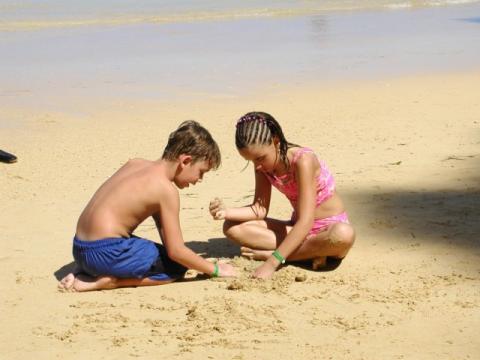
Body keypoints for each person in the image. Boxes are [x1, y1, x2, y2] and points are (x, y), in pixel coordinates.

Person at [59, 120, 235, 292]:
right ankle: (109, 282)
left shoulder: (134, 163)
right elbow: (176, 251)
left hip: (80, 250)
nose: (199, 180)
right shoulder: (165, 190)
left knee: (164, 255)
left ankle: (82, 272)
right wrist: (215, 269)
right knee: (177, 267)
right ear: (186, 161)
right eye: (201, 172)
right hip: (105, 254)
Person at [209, 112, 355, 279]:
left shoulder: (303, 161)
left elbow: (306, 221)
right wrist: (226, 212)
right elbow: (259, 208)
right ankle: (309, 253)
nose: (257, 166)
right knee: (231, 227)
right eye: (251, 161)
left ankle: (283, 255)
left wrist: (271, 262)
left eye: (260, 158)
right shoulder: (262, 167)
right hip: (297, 229)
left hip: (326, 229)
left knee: (344, 235)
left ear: (276, 141)